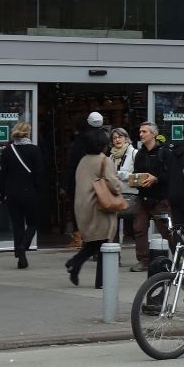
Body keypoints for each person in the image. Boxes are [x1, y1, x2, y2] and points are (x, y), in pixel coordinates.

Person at [67, 128, 118, 288]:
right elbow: (113, 184)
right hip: (99, 207)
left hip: (82, 206)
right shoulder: (104, 160)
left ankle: (74, 263)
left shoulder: (83, 160)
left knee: (93, 242)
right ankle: (101, 281)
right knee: (104, 243)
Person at [0, 121, 45, 268]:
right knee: (33, 223)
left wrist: (1, 192)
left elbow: (2, 175)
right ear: (28, 133)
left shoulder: (7, 151)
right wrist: (39, 190)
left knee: (17, 225)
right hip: (30, 193)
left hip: (12, 193)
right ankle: (23, 246)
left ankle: (20, 255)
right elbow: (39, 174)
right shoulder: (34, 150)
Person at [122, 122, 168, 272]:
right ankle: (143, 260)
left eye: (144, 132)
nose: (141, 134)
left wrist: (156, 179)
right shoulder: (140, 154)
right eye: (140, 131)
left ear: (153, 134)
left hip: (160, 198)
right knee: (139, 229)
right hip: (143, 197)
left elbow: (170, 175)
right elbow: (137, 173)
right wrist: (135, 180)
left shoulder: (164, 152)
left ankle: (179, 259)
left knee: (167, 231)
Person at [62, 112, 106, 240]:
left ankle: (79, 237)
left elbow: (70, 166)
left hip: (79, 182)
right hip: (96, 181)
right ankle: (91, 237)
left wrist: (65, 185)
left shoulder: (77, 144)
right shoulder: (103, 140)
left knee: (79, 209)